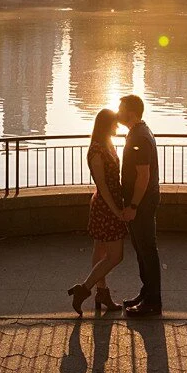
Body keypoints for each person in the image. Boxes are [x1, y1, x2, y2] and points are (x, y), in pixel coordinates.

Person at [67, 108, 128, 314]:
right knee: (115, 256)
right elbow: (102, 185)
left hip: (108, 203)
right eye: (114, 123)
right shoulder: (96, 151)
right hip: (105, 206)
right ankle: (83, 289)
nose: (117, 126)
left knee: (100, 251)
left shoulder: (107, 145)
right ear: (106, 125)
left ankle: (103, 293)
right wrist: (116, 211)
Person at [116, 93, 162, 316]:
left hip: (142, 204)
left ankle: (153, 302)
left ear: (131, 113)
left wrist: (132, 206)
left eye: (121, 108)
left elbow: (143, 176)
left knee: (147, 250)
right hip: (142, 202)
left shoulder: (139, 137)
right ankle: (147, 292)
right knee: (142, 250)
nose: (117, 112)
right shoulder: (138, 132)